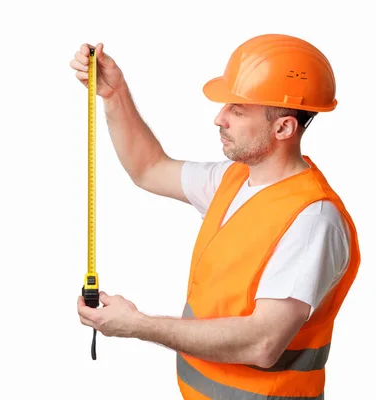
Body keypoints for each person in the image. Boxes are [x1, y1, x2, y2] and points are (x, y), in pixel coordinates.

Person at [72, 33, 360, 399]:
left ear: (284, 127)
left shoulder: (312, 220)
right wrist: (114, 95)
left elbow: (262, 343)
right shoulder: (234, 179)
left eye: (237, 110)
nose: (218, 118)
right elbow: (149, 168)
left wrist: (137, 326)